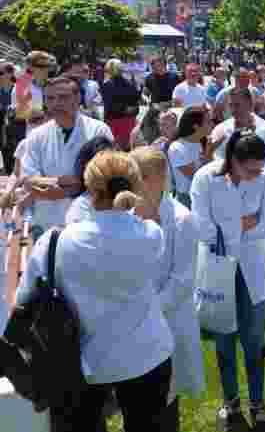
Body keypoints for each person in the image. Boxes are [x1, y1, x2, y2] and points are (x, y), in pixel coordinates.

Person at [16, 151, 173, 430]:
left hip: (81, 360)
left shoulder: (56, 241)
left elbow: (23, 298)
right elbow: (148, 222)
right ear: (134, 186)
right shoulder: (151, 235)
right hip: (146, 354)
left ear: (89, 188)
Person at [191, 131, 265, 430]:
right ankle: (230, 403)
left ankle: (258, 403)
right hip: (218, 269)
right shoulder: (205, 178)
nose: (257, 175)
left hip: (253, 267)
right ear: (233, 160)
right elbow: (201, 228)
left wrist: (226, 228)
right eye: (250, 170)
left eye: (260, 169)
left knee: (254, 341)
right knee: (224, 340)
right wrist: (242, 224)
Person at [130, 146, 205, 428]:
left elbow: (182, 280)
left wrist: (148, 310)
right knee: (135, 401)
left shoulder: (182, 220)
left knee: (165, 400)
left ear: (159, 179)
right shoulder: (127, 215)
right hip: (133, 323)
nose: (132, 184)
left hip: (168, 320)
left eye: (138, 177)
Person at [22, 75, 114, 234]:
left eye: (63, 97)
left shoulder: (98, 131)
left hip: (89, 226)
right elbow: (28, 179)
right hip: (45, 224)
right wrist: (61, 182)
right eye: (50, 98)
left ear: (78, 98)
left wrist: (60, 191)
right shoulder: (36, 135)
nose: (56, 103)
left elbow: (104, 177)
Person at [210, 87, 265, 175]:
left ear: (250, 105)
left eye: (237, 105)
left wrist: (259, 177)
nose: (233, 110)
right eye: (230, 105)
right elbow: (216, 160)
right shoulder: (220, 130)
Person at [167, 106, 211, 207]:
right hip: (187, 200)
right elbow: (196, 177)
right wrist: (208, 155)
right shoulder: (177, 148)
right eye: (208, 122)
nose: (212, 124)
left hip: (207, 196)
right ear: (196, 126)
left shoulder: (206, 142)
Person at [101, 58, 141, 150]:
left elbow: (109, 105)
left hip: (113, 121)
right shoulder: (130, 83)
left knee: (113, 150)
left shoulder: (107, 85)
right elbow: (136, 101)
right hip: (129, 120)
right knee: (128, 149)